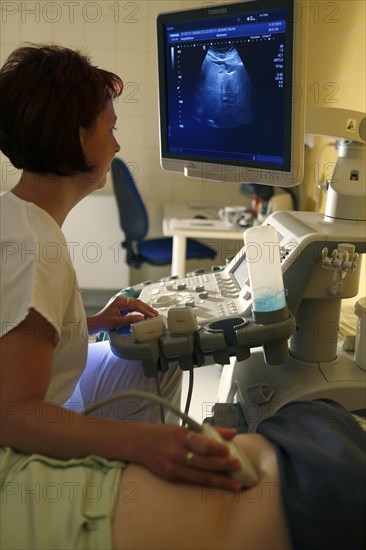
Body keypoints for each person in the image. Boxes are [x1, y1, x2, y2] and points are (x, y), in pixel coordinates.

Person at [1, 45, 365, 550]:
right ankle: (135, 474)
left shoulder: (18, 217)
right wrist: (145, 445)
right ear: (76, 139)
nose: (117, 143)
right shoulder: (33, 246)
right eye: (109, 129)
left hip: (57, 388)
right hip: (27, 430)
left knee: (161, 363)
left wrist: (92, 321)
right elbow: (12, 413)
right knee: (287, 474)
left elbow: (14, 329)